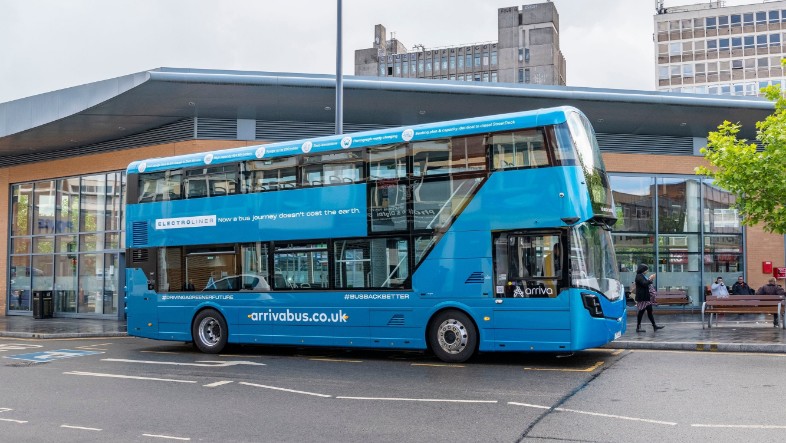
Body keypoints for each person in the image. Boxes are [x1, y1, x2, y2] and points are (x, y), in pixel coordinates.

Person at [634, 264, 664, 332]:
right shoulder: (639, 276)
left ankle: (654, 326)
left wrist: (650, 279)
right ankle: (638, 328)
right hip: (642, 298)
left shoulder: (642, 276)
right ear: (643, 269)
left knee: (650, 311)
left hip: (646, 297)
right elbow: (644, 283)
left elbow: (646, 284)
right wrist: (651, 278)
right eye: (646, 269)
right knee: (641, 312)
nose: (647, 271)